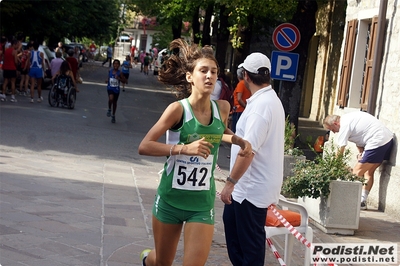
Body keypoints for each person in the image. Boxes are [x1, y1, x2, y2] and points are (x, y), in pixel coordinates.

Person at [137, 38, 252, 266]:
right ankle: (147, 260)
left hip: (201, 204)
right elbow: (145, 146)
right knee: (162, 261)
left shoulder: (222, 108)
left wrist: (238, 139)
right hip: (170, 200)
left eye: (214, 72)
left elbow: (219, 131)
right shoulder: (177, 110)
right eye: (203, 71)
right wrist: (183, 149)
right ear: (190, 76)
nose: (209, 76)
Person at [220, 52, 285, 266]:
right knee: (236, 235)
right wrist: (223, 131)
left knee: (248, 247)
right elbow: (247, 141)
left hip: (249, 188)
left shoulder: (260, 106)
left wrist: (230, 183)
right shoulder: (268, 100)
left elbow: (248, 151)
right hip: (252, 186)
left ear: (246, 76)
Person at [323, 112, 394, 210]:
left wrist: (335, 166)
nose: (334, 132)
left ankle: (348, 200)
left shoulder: (344, 125)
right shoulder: (349, 118)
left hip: (376, 141)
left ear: (335, 123)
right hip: (387, 139)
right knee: (368, 172)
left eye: (332, 129)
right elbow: (359, 137)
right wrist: (361, 152)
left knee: (356, 172)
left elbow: (340, 150)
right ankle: (362, 201)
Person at [231, 67, 251, 133]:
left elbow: (239, 98)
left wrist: (246, 107)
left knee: (236, 131)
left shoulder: (241, 84)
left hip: (239, 109)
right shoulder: (248, 83)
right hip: (243, 109)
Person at [105, 59, 126, 123]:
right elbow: (109, 78)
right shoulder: (110, 71)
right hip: (110, 88)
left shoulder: (120, 73)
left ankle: (113, 115)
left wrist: (119, 78)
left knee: (114, 102)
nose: (115, 65)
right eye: (114, 64)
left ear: (119, 65)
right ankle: (109, 109)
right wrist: (107, 80)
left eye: (117, 64)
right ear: (113, 64)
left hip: (116, 89)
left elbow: (124, 81)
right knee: (110, 98)